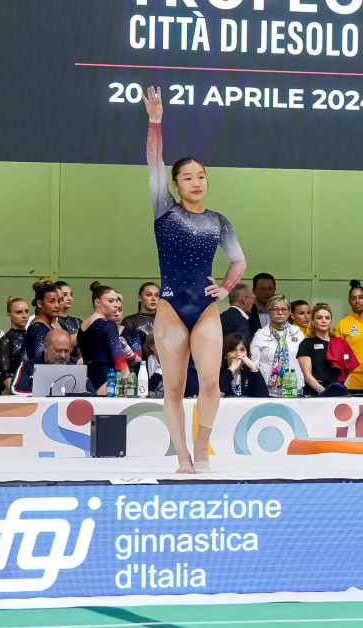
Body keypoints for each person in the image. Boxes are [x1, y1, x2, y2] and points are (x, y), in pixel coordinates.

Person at [143, 86, 247, 470]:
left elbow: (239, 261)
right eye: (187, 177)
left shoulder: (219, 221)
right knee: (173, 388)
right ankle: (183, 456)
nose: (196, 182)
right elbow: (154, 163)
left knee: (210, 383)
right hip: (171, 306)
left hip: (205, 307)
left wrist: (225, 288)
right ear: (175, 185)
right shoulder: (164, 210)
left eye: (201, 176)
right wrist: (156, 121)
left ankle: (202, 448)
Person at [14, 279, 63, 395]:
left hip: (41, 381)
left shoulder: (47, 326)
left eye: (59, 301)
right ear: (40, 303)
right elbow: (42, 361)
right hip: (34, 383)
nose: (57, 305)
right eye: (52, 302)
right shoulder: (38, 328)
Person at [251, 296, 307, 395]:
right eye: (275, 309)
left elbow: (305, 362)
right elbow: (254, 365)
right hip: (268, 391)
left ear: (289, 311)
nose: (280, 312)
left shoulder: (298, 333)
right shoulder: (260, 335)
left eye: (283, 309)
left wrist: (301, 381)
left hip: (295, 389)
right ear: (268, 311)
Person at [79, 283, 126, 395]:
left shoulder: (83, 326)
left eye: (117, 301)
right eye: (111, 301)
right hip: (107, 381)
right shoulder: (109, 325)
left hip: (87, 381)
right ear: (98, 303)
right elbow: (119, 359)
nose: (116, 305)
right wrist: (128, 383)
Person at [120, 282, 159, 381]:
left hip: (165, 369)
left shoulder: (165, 320)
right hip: (139, 372)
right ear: (140, 297)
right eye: (148, 295)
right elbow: (125, 352)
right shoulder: (130, 321)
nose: (153, 298)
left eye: (157, 295)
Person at [219, 333, 269, 398]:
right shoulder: (218, 373)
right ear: (225, 355)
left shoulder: (250, 372)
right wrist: (231, 369)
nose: (238, 354)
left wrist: (253, 368)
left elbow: (263, 396)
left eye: (242, 350)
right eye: (233, 350)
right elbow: (218, 393)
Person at [0, 297, 29, 394]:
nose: (24, 316)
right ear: (9, 315)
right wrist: (16, 392)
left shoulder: (31, 336)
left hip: (31, 384)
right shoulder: (6, 340)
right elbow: (5, 374)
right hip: (13, 389)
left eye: (26, 311)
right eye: (19, 312)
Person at [55, 281, 82, 357]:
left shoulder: (78, 321)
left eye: (71, 294)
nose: (69, 298)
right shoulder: (53, 322)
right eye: (65, 295)